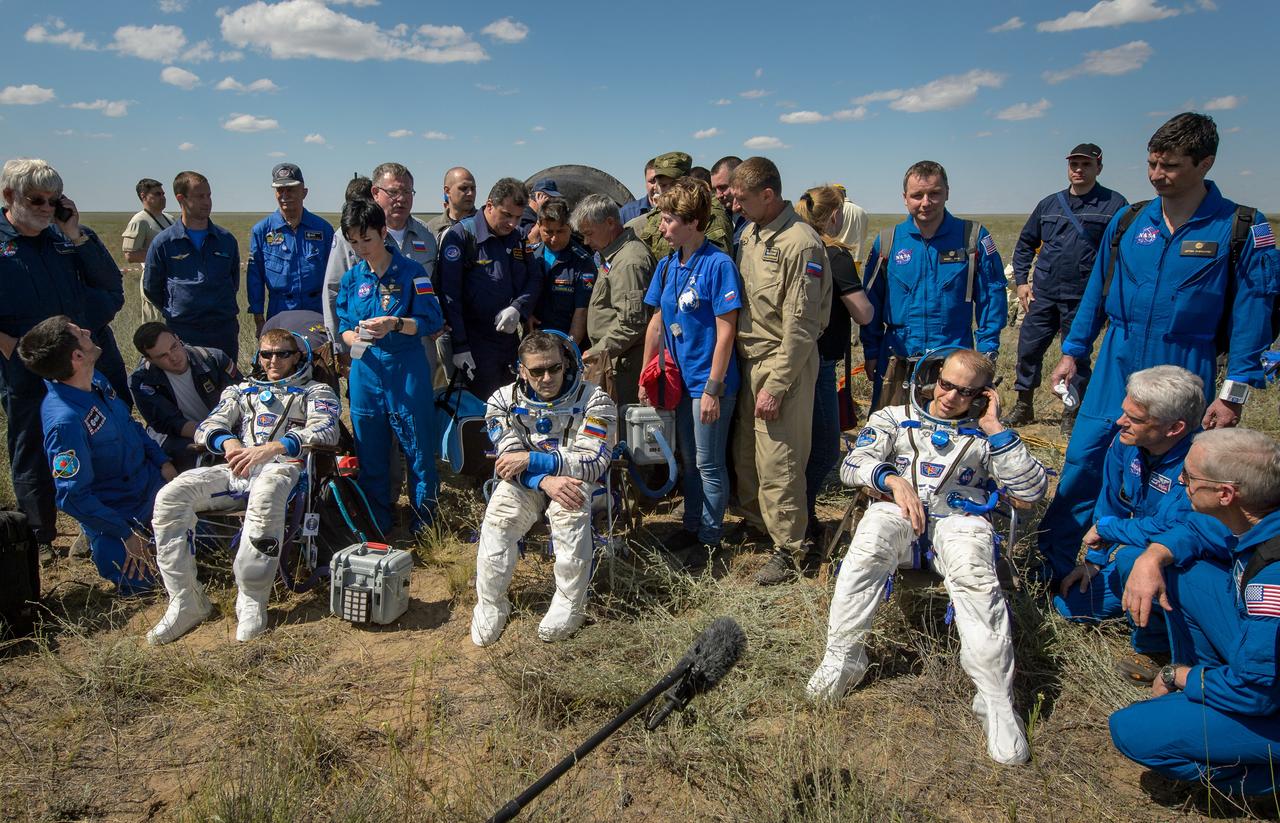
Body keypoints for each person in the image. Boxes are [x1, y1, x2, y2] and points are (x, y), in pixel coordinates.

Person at [1037, 112, 1279, 583]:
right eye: (1151, 163)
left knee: (1170, 478)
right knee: (1086, 457)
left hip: (1185, 365)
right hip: (1117, 360)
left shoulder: (1239, 227)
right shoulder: (1129, 221)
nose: (1156, 174)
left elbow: (1255, 313)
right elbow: (1097, 292)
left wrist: (1234, 393)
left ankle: (1142, 567)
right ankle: (1054, 559)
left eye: (1169, 165)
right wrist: (1074, 351)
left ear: (1204, 163)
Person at [807, 349, 1048, 765]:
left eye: (966, 392)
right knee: (870, 541)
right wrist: (892, 479)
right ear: (934, 376)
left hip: (960, 522)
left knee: (976, 577)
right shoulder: (894, 418)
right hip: (900, 513)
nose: (950, 396)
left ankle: (995, 701)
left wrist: (994, 427)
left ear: (983, 396)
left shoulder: (987, 435)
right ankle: (844, 657)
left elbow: (1030, 492)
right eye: (946, 384)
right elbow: (852, 464)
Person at [1109, 427, 1280, 796]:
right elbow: (1197, 531)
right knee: (1183, 571)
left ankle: (1270, 782)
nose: (1181, 482)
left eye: (1189, 477)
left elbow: (1257, 692)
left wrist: (1180, 674)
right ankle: (1209, 692)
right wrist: (1153, 556)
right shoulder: (1260, 518)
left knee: (1134, 731)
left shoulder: (1272, 582)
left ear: (1225, 494)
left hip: (1264, 695)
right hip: (1258, 670)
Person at [146, 327, 341, 644]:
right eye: (266, 354)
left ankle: (252, 599)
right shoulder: (241, 391)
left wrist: (275, 447)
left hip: (285, 469)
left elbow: (326, 430)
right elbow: (209, 425)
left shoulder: (315, 392)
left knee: (266, 493)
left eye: (282, 354)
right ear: (258, 356)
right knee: (171, 495)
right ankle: (186, 601)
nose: (273, 360)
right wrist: (229, 443)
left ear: (298, 356)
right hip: (240, 467)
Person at [1053, 366, 1228, 654]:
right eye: (1124, 412)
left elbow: (1172, 528)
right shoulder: (1128, 443)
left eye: (1134, 419)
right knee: (1070, 605)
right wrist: (1094, 560)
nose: (1120, 421)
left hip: (1189, 564)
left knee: (1134, 559)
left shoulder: (1200, 464)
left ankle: (1156, 647)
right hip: (1142, 550)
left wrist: (1110, 530)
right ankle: (1142, 603)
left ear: (1174, 428)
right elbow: (1113, 499)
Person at [0, 158, 124, 552]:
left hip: (81, 359)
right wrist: (5, 343)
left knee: (102, 433)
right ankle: (38, 536)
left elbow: (109, 284)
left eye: (54, 201)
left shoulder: (66, 237)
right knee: (32, 442)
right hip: (25, 362)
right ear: (9, 196)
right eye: (36, 199)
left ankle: (104, 520)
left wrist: (73, 233)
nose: (46, 208)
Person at [471, 331, 616, 646]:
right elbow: (509, 462)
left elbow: (593, 461)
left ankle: (570, 603)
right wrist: (543, 479)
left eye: (554, 368)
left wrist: (532, 459)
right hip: (531, 482)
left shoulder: (595, 400)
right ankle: (491, 602)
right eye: (536, 371)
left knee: (569, 511)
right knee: (499, 517)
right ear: (522, 371)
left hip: (578, 481)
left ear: (566, 363)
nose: (547, 377)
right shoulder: (501, 402)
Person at [730, 156, 832, 585]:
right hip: (749, 360)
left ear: (768, 195)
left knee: (781, 462)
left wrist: (777, 384)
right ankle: (758, 525)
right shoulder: (751, 234)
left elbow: (802, 325)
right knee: (748, 456)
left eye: (742, 198)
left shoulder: (800, 243)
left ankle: (791, 549)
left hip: (781, 364)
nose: (735, 206)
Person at [18, 316, 175, 593]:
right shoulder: (65, 421)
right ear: (78, 356)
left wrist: (163, 463)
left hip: (153, 489)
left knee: (217, 539)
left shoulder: (97, 379)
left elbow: (132, 426)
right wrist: (126, 534)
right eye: (81, 333)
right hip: (120, 515)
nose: (89, 331)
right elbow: (71, 496)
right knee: (144, 577)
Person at [639, 177, 742, 570]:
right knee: (686, 458)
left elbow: (726, 330)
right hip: (676, 382)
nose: (662, 227)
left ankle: (711, 539)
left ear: (694, 222)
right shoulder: (667, 266)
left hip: (708, 382)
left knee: (708, 462)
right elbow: (657, 321)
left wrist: (714, 388)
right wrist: (647, 374)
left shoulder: (718, 265)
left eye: (668, 220)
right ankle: (692, 523)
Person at [860, 161, 1007, 411]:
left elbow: (992, 295)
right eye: (917, 195)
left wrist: (987, 351)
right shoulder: (887, 242)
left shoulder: (972, 238)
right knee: (890, 433)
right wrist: (872, 350)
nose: (926, 202)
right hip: (897, 359)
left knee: (950, 437)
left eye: (934, 193)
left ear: (947, 192)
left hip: (953, 364)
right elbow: (871, 301)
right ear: (905, 198)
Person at [336, 198, 445, 533]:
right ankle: (377, 522)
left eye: (366, 239)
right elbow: (343, 323)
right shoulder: (353, 278)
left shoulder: (412, 272)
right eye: (353, 242)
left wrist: (396, 324)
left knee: (419, 451)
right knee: (370, 451)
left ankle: (424, 523)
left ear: (383, 232)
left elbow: (431, 320)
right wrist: (355, 338)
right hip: (366, 371)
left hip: (405, 368)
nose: (360, 248)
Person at [1003, 143, 1128, 430]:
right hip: (1043, 294)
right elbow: (1025, 244)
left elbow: (1121, 255)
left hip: (1084, 298)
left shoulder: (1114, 205)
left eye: (1085, 164)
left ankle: (1071, 413)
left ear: (1099, 167)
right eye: (1074, 164)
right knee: (1028, 350)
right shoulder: (1050, 204)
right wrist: (1022, 282)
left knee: (1077, 355)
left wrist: (1110, 297)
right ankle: (1024, 405)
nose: (1079, 169)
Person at [794, 186, 874, 562]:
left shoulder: (798, 245)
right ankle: (804, 520)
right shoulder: (835, 254)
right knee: (825, 448)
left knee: (801, 444)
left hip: (794, 360)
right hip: (822, 361)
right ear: (836, 215)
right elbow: (863, 313)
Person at [323, 163, 439, 364]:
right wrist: (340, 346)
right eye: (393, 192)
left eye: (407, 191)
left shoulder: (425, 234)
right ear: (375, 193)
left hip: (417, 348)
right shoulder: (348, 235)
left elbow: (433, 286)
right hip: (369, 352)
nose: (401, 198)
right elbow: (333, 291)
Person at [438, 177, 543, 401]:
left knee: (513, 405)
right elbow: (450, 295)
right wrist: (460, 346)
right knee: (482, 412)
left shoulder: (517, 239)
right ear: (489, 206)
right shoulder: (461, 236)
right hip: (474, 344)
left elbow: (534, 278)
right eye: (506, 215)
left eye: (517, 217)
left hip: (509, 342)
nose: (513, 223)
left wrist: (518, 308)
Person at [144, 171, 242, 361]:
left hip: (223, 329)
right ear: (181, 198)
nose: (207, 202)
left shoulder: (226, 240)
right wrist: (179, 307)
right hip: (184, 331)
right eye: (200, 196)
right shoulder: (164, 243)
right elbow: (151, 287)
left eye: (209, 195)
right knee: (189, 384)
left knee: (228, 386)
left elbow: (234, 281)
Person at [571, 193, 657, 407]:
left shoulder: (629, 262)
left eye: (589, 233)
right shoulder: (614, 256)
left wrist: (596, 352)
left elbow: (632, 323)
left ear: (610, 223)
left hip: (623, 369)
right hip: (613, 361)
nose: (586, 241)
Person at [129, 322, 241, 471]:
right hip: (180, 434)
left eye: (174, 347)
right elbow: (171, 423)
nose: (174, 357)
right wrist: (214, 436)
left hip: (226, 424)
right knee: (198, 458)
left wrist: (223, 434)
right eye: (163, 356)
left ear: (178, 338)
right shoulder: (141, 381)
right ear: (149, 359)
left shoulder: (213, 358)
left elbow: (242, 399)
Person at [246, 163, 334, 332]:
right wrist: (258, 318)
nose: (285, 195)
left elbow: (335, 276)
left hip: (316, 312)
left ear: (304, 192)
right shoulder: (262, 231)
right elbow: (254, 278)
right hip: (280, 311)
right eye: (280, 190)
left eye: (291, 189)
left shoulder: (323, 229)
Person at [631, 152, 735, 260]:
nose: (667, 190)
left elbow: (714, 264)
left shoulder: (708, 213)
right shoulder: (657, 215)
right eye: (662, 185)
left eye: (671, 184)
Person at [529, 196, 594, 346]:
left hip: (566, 341)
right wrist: (526, 315)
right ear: (539, 226)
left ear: (570, 227)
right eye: (548, 232)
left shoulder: (583, 263)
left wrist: (568, 348)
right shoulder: (530, 257)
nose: (554, 238)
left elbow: (581, 312)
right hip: (534, 342)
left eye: (560, 231)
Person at [121, 177, 173, 323]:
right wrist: (161, 255)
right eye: (157, 194)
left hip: (172, 278)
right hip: (154, 278)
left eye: (163, 194)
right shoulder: (139, 221)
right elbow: (130, 255)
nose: (162, 198)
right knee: (157, 323)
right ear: (143, 196)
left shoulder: (169, 218)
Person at [425, 166, 478, 243]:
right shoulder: (431, 229)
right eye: (463, 188)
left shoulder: (484, 224)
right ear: (447, 191)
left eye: (473, 188)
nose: (470, 193)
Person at [709, 155, 747, 248]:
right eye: (715, 189)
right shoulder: (719, 215)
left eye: (723, 187)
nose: (718, 195)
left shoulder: (757, 219)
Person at [832, 184, 869, 262]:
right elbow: (864, 236)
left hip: (838, 256)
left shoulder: (835, 210)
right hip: (857, 258)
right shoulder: (862, 211)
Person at [618, 158, 658, 224]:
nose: (657, 186)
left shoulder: (678, 213)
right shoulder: (626, 213)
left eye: (662, 182)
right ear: (645, 183)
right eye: (652, 181)